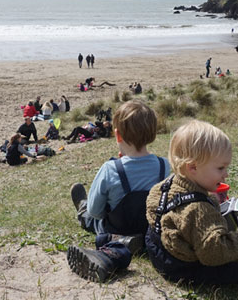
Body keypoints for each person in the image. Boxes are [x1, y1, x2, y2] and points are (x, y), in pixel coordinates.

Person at [145, 120, 238, 285]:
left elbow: (160, 212)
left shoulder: (164, 187)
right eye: (220, 168)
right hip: (184, 269)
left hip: (158, 252)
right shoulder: (199, 210)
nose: (226, 174)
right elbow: (213, 253)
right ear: (193, 167)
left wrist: (209, 201)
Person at [67, 100, 171, 282]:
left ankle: (81, 209)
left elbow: (96, 211)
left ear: (117, 135)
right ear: (153, 135)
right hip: (149, 228)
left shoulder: (111, 168)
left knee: (89, 215)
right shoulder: (164, 165)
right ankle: (135, 240)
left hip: (115, 228)